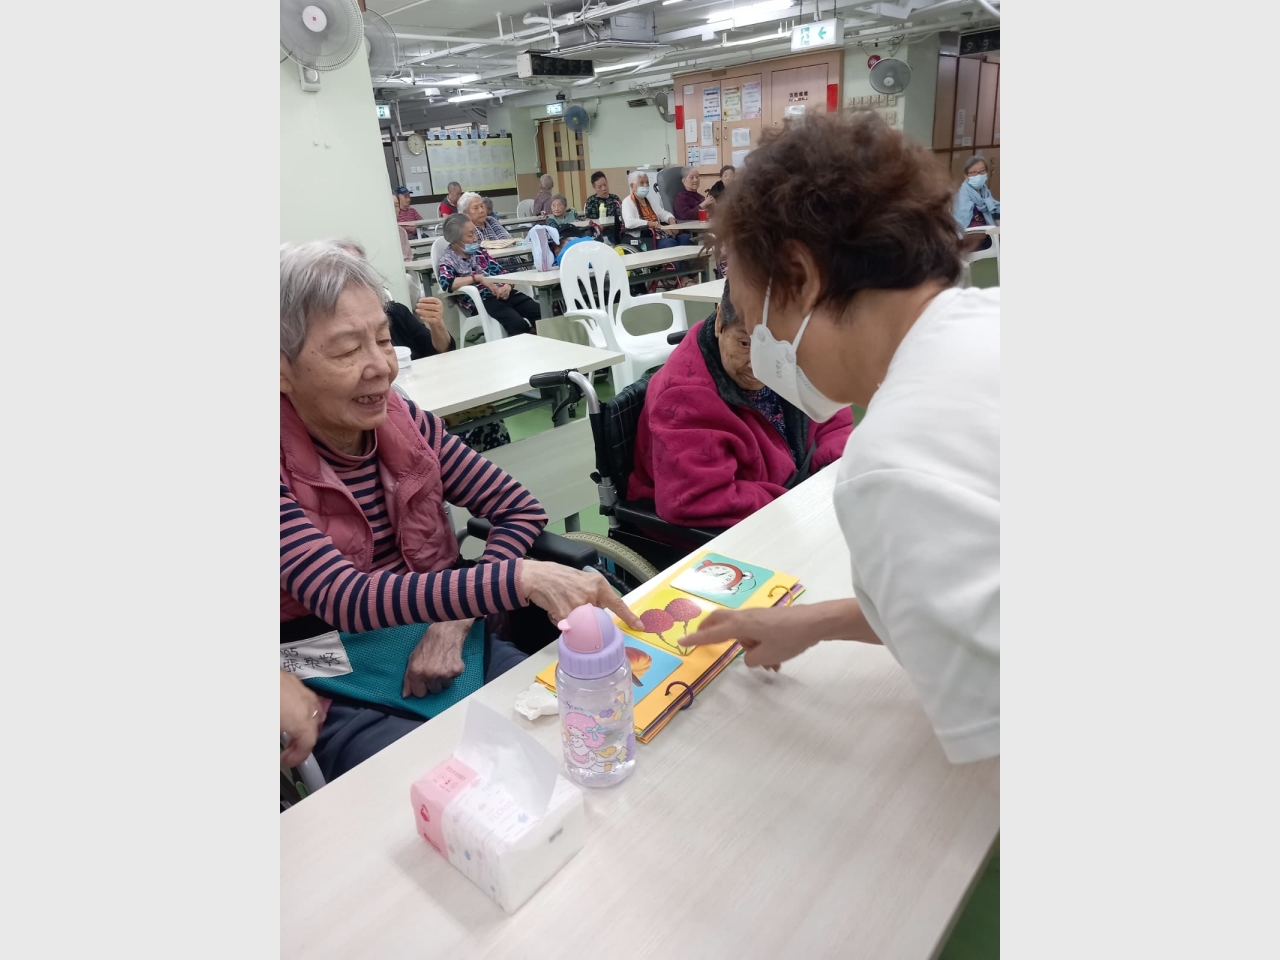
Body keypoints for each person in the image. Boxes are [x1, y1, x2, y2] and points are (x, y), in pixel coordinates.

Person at [687, 112, 999, 765]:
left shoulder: (896, 461)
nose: (760, 344)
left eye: (754, 316)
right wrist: (815, 620)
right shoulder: (987, 325)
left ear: (799, 276)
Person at [279, 241, 643, 777]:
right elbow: (343, 596)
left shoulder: (404, 422)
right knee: (443, 788)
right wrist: (517, 577)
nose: (381, 367)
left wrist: (453, 620)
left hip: (444, 632)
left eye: (384, 339)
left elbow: (517, 508)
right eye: (346, 350)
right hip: (331, 673)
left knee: (566, 737)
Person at [629, 280, 853, 527]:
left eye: (777, 347)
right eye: (744, 343)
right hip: (735, 533)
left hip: (799, 501)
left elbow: (832, 417)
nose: (758, 364)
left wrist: (831, 472)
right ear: (719, 322)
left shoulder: (789, 351)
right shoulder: (684, 399)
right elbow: (696, 499)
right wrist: (798, 504)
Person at [435, 213, 541, 336]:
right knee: (517, 324)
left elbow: (502, 272)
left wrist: (507, 285)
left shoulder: (479, 252)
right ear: (455, 240)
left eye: (475, 233)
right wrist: (477, 278)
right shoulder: (448, 260)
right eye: (470, 235)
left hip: (502, 294)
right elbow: (447, 283)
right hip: (482, 301)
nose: (475, 238)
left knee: (538, 311)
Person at [621, 169, 689, 249]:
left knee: (685, 238)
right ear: (632, 186)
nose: (646, 185)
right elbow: (629, 222)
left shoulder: (649, 200)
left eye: (647, 183)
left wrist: (671, 220)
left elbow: (662, 213)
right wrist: (652, 224)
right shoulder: (627, 202)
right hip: (646, 237)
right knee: (670, 243)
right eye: (642, 183)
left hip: (659, 233)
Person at [953, 156, 999, 250]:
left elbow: (995, 212)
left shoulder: (985, 193)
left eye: (982, 171)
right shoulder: (961, 197)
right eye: (973, 172)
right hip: (971, 241)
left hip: (990, 236)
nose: (978, 176)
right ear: (966, 176)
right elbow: (960, 225)